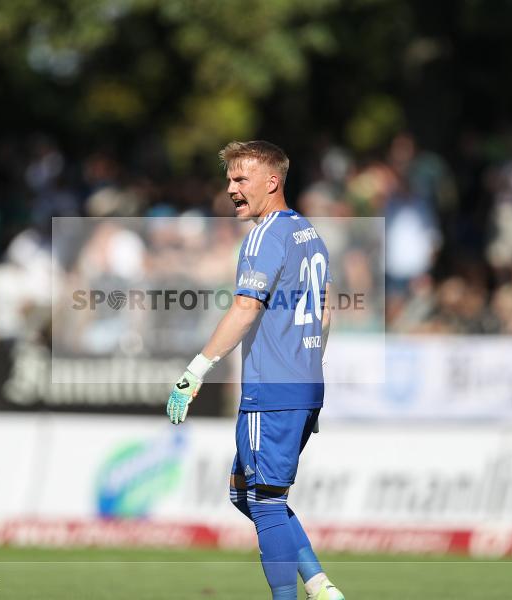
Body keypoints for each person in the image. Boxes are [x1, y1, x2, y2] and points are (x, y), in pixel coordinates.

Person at [166, 141, 343, 600]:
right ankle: (322, 589)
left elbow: (245, 308)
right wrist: (309, 363)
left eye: (241, 179)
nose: (231, 189)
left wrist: (195, 370)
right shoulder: (308, 233)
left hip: (273, 390)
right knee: (245, 494)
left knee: (264, 503)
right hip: (302, 387)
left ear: (272, 181)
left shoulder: (265, 237)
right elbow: (325, 310)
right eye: (229, 180)